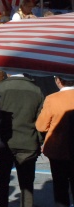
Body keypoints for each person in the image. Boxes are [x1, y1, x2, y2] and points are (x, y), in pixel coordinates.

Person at [0, 72, 44, 207]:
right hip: (28, 141)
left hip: (4, 142)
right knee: (27, 185)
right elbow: (40, 121)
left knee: (1, 182)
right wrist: (39, 141)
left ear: (8, 72)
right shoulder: (36, 90)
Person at [35, 75, 74, 207]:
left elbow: (41, 125)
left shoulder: (52, 99)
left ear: (58, 80)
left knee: (60, 186)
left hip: (58, 149)